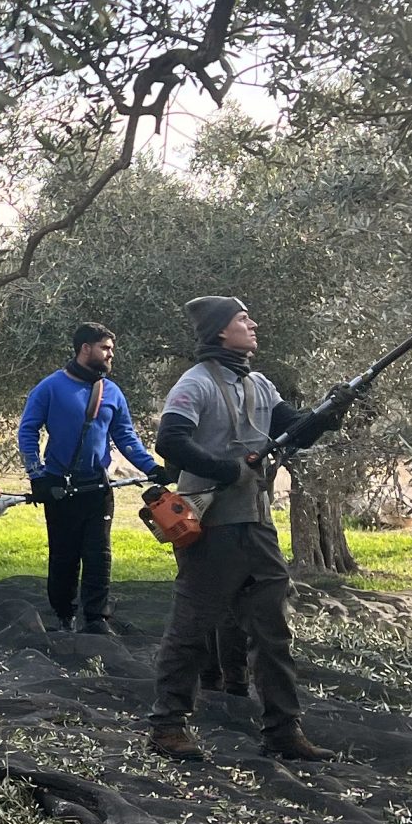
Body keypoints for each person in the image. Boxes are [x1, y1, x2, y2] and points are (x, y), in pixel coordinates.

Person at [148, 296, 351, 761]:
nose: (253, 324)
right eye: (243, 319)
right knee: (192, 628)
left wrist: (329, 414)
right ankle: (167, 728)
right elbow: (170, 441)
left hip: (257, 527)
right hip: (211, 528)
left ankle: (283, 732)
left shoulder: (260, 384)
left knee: (272, 630)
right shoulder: (194, 384)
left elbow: (295, 430)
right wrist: (226, 470)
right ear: (222, 331)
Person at [17, 322, 158, 634]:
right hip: (58, 488)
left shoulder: (112, 392)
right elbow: (27, 431)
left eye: (111, 349)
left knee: (98, 556)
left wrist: (152, 468)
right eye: (105, 348)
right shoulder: (50, 387)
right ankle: (64, 616)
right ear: (85, 349)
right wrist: (37, 475)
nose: (110, 355)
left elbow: (126, 437)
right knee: (64, 556)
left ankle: (96, 620)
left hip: (97, 488)